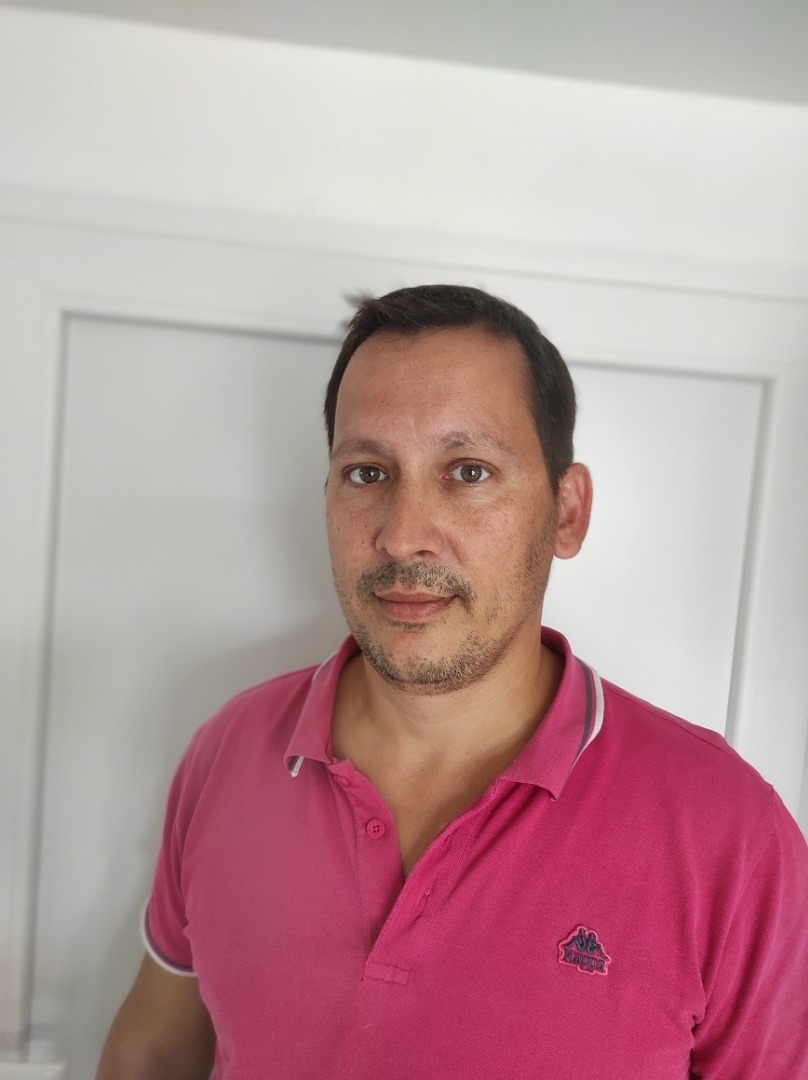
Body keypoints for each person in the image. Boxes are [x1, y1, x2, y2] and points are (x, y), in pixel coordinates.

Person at [96, 284, 808, 1080]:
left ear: (567, 512)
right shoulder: (229, 749)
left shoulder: (729, 833)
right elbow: (152, 1051)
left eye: (468, 471)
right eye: (367, 472)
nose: (403, 535)